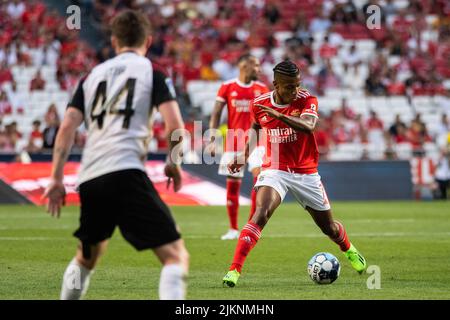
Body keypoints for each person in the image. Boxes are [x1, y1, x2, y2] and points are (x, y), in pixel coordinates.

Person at [42, 10, 189, 300]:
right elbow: (175, 126)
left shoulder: (91, 76)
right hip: (126, 170)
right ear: (148, 40)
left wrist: (56, 179)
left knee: (86, 258)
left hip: (91, 178)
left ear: (113, 40)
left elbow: (67, 127)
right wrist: (174, 162)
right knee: (175, 257)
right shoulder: (153, 71)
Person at [222, 60, 367, 287]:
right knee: (260, 213)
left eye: (297, 85)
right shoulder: (259, 104)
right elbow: (255, 128)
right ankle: (234, 271)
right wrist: (242, 155)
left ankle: (348, 249)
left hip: (306, 172)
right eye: (289, 86)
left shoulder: (307, 99)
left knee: (327, 227)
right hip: (275, 168)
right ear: (275, 85)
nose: (294, 90)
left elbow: (308, 125)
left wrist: (279, 115)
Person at [207, 54, 269, 240]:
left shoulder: (262, 88)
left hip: (256, 142)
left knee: (259, 182)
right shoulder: (227, 87)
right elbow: (216, 113)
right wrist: (212, 138)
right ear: (245, 66)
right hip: (233, 142)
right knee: (232, 187)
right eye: (256, 65)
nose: (258, 69)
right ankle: (233, 229)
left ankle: (250, 228)